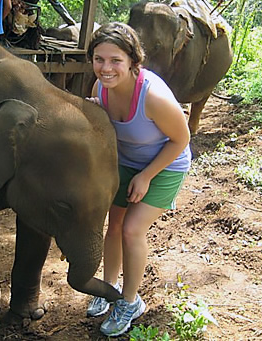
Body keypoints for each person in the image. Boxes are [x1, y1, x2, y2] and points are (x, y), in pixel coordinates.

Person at [85, 22, 192, 337]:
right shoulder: (99, 88)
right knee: (113, 224)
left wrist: (146, 176)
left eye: (115, 60)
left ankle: (130, 302)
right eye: (99, 59)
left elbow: (181, 138)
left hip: (164, 165)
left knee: (132, 230)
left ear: (133, 61)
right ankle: (108, 288)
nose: (106, 68)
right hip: (127, 162)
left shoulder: (153, 96)